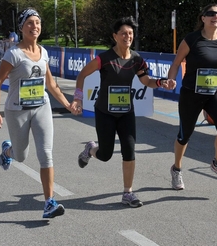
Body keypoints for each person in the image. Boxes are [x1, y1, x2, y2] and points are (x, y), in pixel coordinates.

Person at [70, 16, 168, 208]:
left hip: (126, 112)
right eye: (123, 33)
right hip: (105, 112)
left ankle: (127, 193)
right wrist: (77, 98)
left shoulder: (137, 59)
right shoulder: (104, 59)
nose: (127, 36)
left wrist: (160, 82)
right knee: (105, 154)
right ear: (115, 36)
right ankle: (90, 149)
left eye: (130, 33)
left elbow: (145, 81)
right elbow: (82, 74)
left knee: (129, 150)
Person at [0, 8, 71, 218]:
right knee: (21, 157)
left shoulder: (43, 52)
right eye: (30, 23)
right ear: (21, 27)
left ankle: (49, 203)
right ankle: (8, 151)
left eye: (37, 23)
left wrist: (68, 104)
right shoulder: (13, 54)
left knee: (46, 155)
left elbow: (51, 84)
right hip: (17, 110)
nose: (34, 26)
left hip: (41, 107)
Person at [165, 3, 217, 190]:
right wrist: (171, 80)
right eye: (211, 14)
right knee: (185, 134)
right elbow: (176, 63)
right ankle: (177, 169)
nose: (216, 17)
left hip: (214, 91)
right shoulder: (192, 39)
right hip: (191, 92)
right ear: (203, 18)